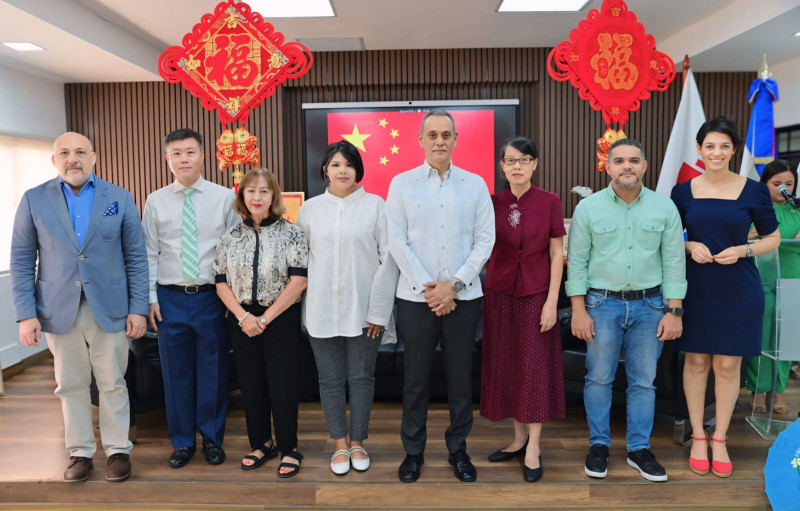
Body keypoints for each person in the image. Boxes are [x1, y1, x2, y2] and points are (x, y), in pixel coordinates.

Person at [10, 132, 149, 483]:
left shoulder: (118, 197)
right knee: (69, 384)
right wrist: (26, 314)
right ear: (54, 160)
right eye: (65, 153)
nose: (73, 158)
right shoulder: (33, 200)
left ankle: (118, 450)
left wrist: (138, 308)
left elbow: (136, 256)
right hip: (58, 310)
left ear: (94, 157)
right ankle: (81, 452)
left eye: (81, 152)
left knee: (112, 382)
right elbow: (23, 259)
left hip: (111, 307)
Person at [567, 138, 686, 483]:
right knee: (599, 378)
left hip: (651, 306)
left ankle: (639, 449)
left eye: (634, 160)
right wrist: (578, 310)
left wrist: (674, 311)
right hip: (600, 305)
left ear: (645, 166)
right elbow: (577, 263)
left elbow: (675, 263)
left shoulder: (664, 209)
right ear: (607, 166)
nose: (627, 166)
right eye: (619, 160)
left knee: (643, 382)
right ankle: (599, 446)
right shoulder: (588, 208)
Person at [385, 110, 495, 483]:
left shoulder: (476, 185)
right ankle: (413, 453)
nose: (439, 141)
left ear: (456, 139)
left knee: (460, 379)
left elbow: (485, 240)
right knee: (415, 379)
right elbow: (396, 241)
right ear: (420, 139)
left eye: (446, 134)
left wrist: (456, 285)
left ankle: (458, 450)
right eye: (432, 134)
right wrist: (431, 288)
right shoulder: (401, 184)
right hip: (417, 300)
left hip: (464, 298)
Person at [671, 116, 780, 478]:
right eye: (709, 146)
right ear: (699, 150)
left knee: (728, 365)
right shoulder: (683, 191)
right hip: (697, 286)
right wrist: (688, 245)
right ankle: (698, 435)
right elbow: (668, 239)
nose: (716, 152)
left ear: (733, 150)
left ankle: (720, 438)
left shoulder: (754, 190)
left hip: (738, 287)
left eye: (724, 146)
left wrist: (744, 250)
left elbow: (772, 239)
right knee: (697, 361)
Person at [296, 140, 398, 475]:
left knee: (362, 377)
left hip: (365, 310)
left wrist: (379, 311)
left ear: (358, 170)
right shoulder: (310, 209)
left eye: (349, 165)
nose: (343, 170)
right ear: (325, 168)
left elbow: (389, 259)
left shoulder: (375, 206)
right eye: (336, 164)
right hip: (321, 308)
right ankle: (339, 444)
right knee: (329, 379)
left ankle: (358, 442)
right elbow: (300, 262)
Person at [141, 128, 240, 468]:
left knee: (213, 371)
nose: (183, 159)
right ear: (167, 159)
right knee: (176, 373)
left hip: (211, 296)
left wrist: (232, 300)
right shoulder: (155, 200)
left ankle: (212, 438)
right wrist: (150, 298)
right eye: (176, 153)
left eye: (190, 152)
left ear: (203, 155)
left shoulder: (225, 197)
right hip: (169, 298)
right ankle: (182, 442)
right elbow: (149, 253)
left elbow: (233, 251)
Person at [213, 168, 308, 478]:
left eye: (264, 191)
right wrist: (243, 318)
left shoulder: (291, 232)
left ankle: (289, 448)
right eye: (250, 191)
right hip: (242, 322)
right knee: (251, 386)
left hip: (279, 319)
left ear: (273, 196)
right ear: (242, 196)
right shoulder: (230, 237)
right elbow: (221, 283)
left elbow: (298, 282)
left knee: (282, 386)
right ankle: (261, 443)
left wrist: (264, 318)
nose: (257, 196)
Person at [480, 137, 566, 483]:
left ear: (535, 164)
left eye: (524, 159)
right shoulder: (490, 202)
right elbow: (481, 247)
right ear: (502, 166)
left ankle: (534, 446)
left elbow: (558, 254)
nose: (517, 166)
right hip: (499, 295)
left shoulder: (550, 201)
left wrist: (551, 302)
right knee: (510, 366)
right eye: (510, 160)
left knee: (534, 368)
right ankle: (517, 439)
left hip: (536, 296)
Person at [745, 160, 800, 415]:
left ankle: (777, 391)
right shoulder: (754, 209)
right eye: (776, 184)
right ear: (764, 184)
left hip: (792, 279)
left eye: (789, 184)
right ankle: (757, 388)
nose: (783, 189)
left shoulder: (797, 211)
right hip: (760, 278)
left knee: (785, 339)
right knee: (759, 337)